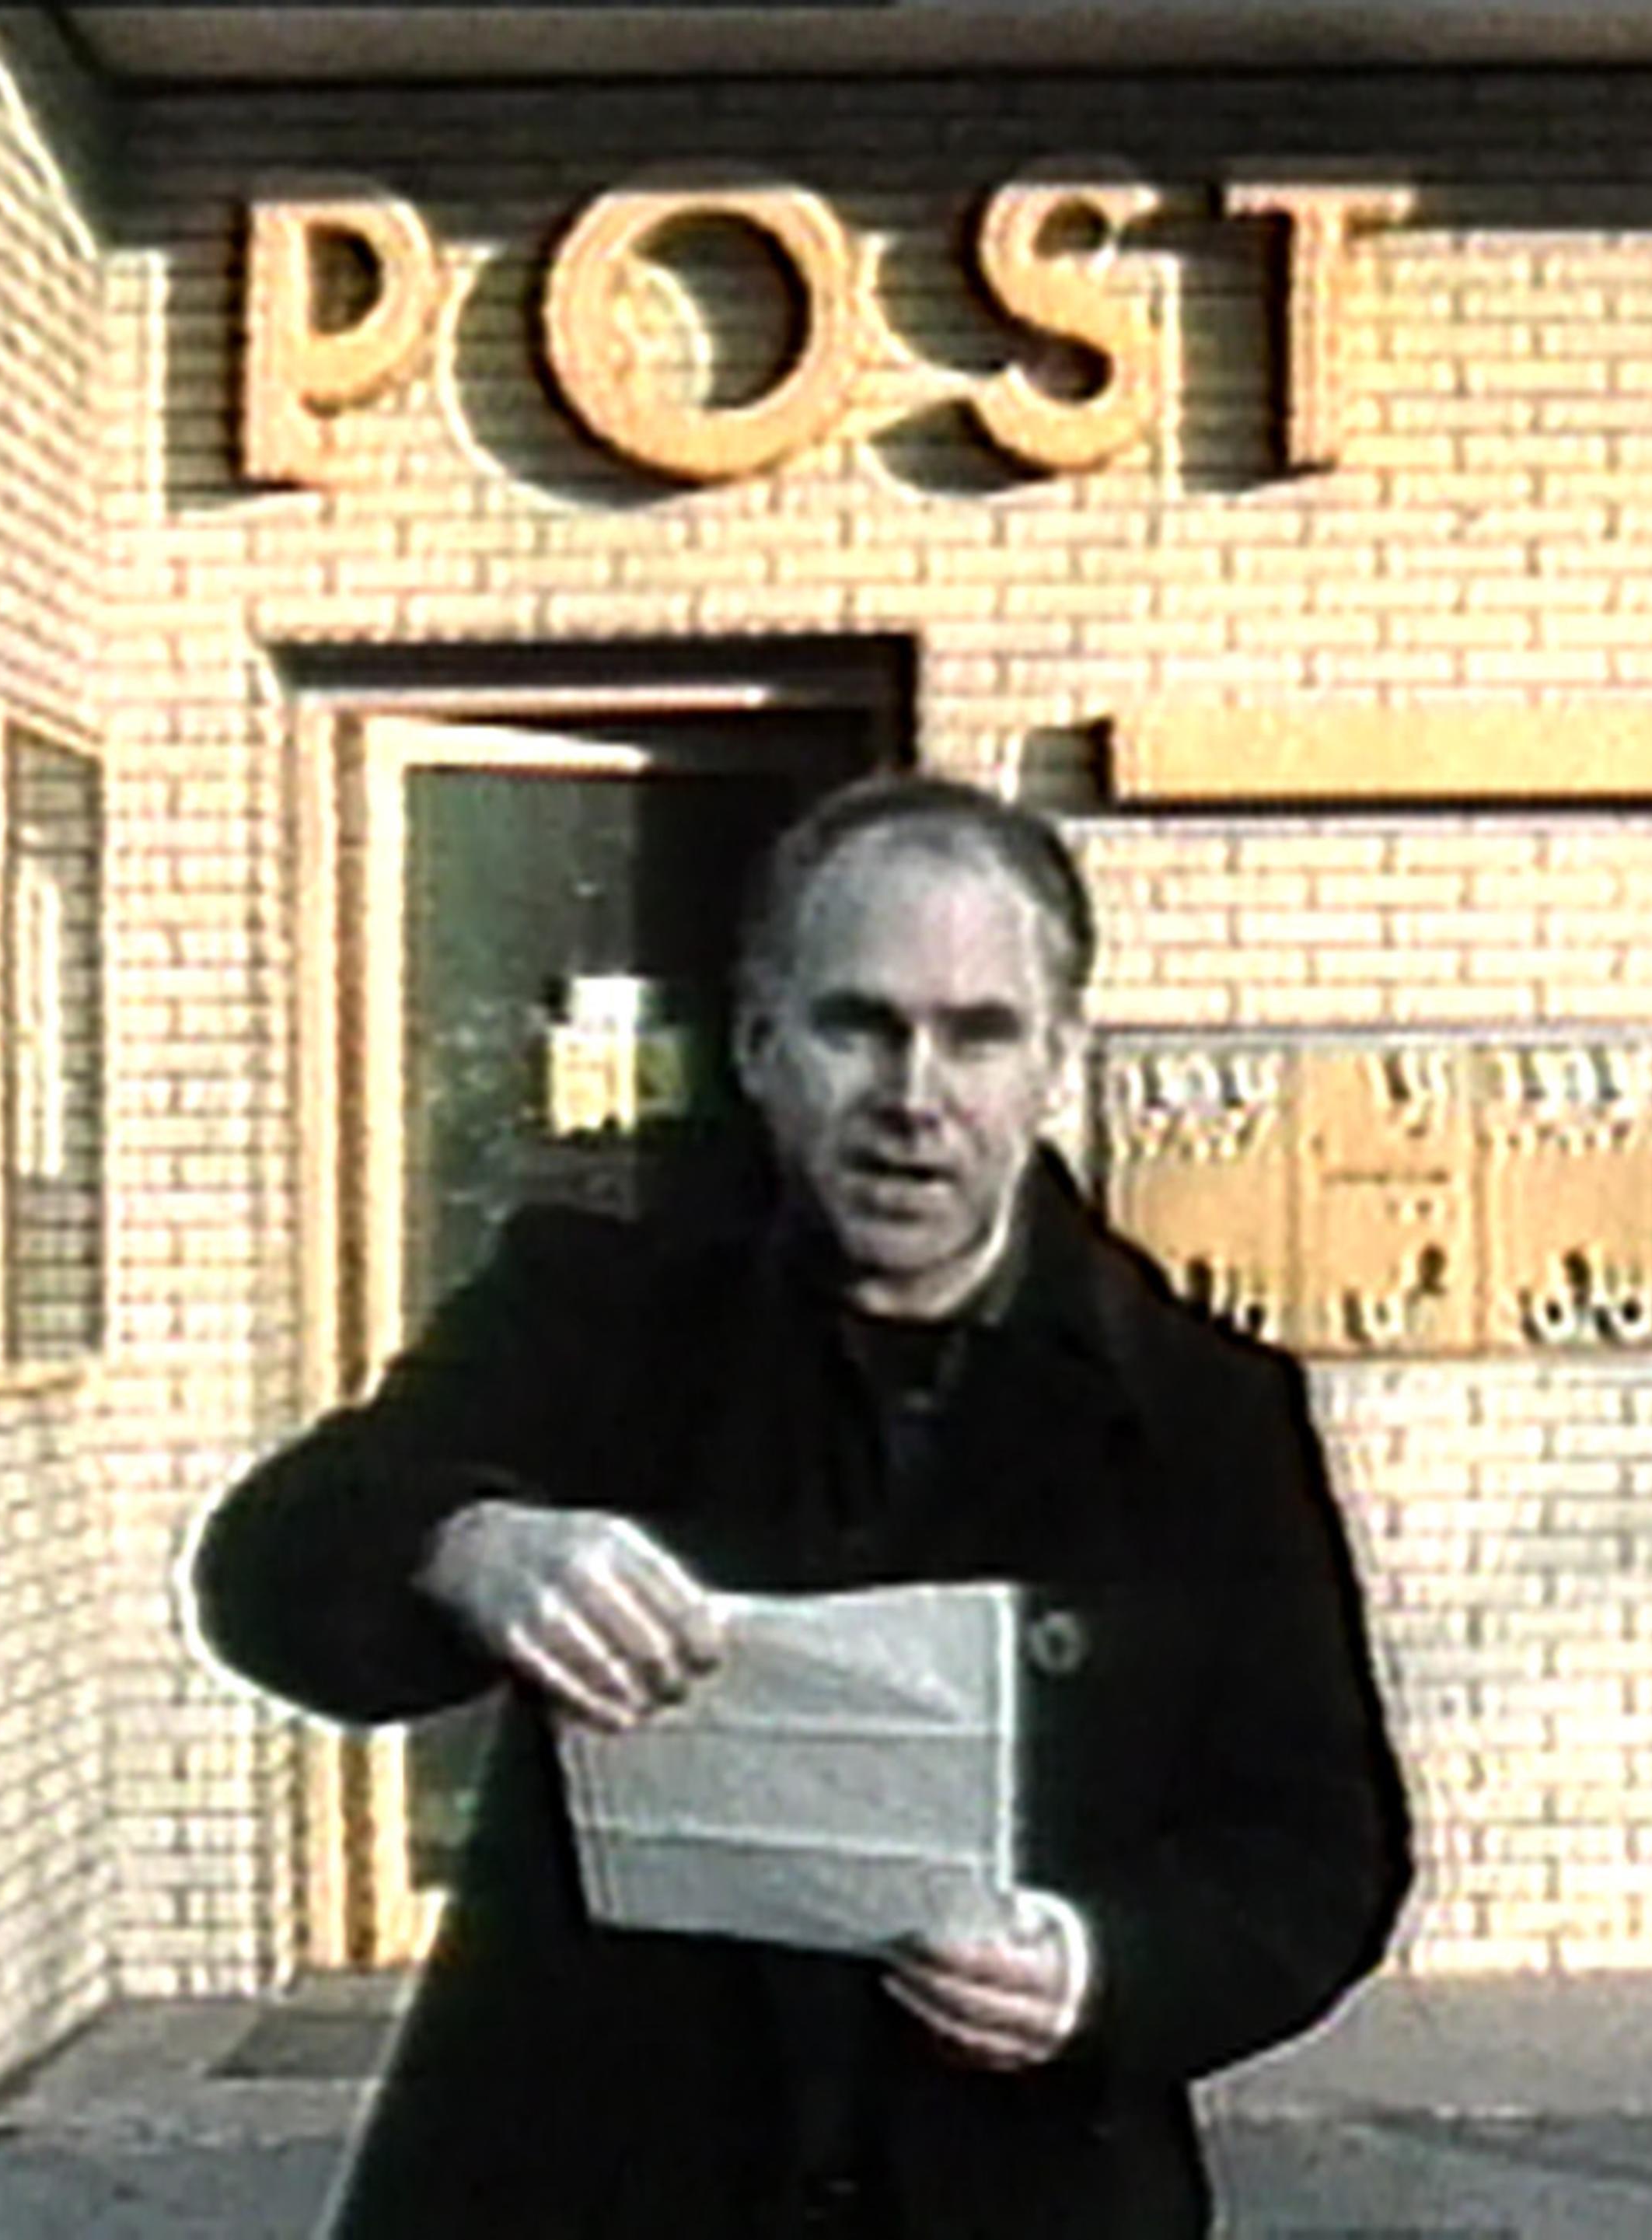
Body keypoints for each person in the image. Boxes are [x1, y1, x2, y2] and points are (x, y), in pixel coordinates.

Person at [193, 773, 1413, 2238]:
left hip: (1007, 2191)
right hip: (589, 2185)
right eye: (859, 1025)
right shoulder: (597, 1320)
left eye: (979, 1034)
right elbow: (260, 1570)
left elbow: (1317, 1850)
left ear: (1055, 1065)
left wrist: (1105, 1966)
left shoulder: (1202, 1414)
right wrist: (462, 1541)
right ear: (763, 1044)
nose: (915, 1096)